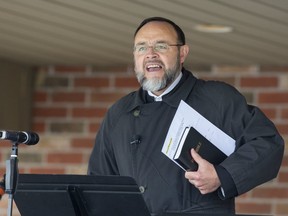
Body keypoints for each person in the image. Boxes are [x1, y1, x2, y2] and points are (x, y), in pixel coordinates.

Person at [88, 17, 284, 215]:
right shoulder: (119, 113)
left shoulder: (217, 99)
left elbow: (267, 142)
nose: (150, 54)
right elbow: (99, 186)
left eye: (161, 46)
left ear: (182, 53)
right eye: (141, 48)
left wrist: (222, 176)